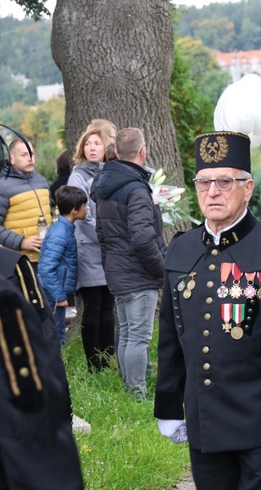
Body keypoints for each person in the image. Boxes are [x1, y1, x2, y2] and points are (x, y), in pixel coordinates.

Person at [154, 75, 261, 489]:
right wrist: (168, 404)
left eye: (225, 182)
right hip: (206, 422)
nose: (213, 191)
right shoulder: (180, 250)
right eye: (204, 182)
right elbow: (171, 339)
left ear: (247, 188)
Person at [0, 98, 84, 488]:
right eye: (24, 152)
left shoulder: (41, 184)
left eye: (33, 152)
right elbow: (37, 448)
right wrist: (21, 241)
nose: (31, 158)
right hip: (14, 261)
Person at [94, 128, 166, 399]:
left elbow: (101, 234)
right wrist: (161, 271)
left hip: (117, 270)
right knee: (137, 336)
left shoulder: (106, 185)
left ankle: (130, 387)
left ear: (114, 153)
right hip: (137, 273)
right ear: (142, 152)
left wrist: (109, 264)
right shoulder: (135, 189)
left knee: (126, 332)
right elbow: (142, 239)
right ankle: (137, 393)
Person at [68, 126, 115, 371]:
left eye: (97, 143)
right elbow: (82, 216)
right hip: (89, 248)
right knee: (93, 306)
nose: (92, 148)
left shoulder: (111, 172)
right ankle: (93, 364)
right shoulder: (78, 175)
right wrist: (106, 235)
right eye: (88, 144)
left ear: (106, 147)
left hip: (109, 250)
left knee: (109, 306)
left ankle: (109, 359)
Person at [0, 138, 52, 270]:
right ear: (12, 159)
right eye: (24, 155)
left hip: (48, 257)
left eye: (31, 154)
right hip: (20, 261)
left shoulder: (41, 181)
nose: (30, 158)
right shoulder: (0, 187)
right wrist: (21, 242)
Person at [38, 186, 87, 345]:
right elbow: (46, 267)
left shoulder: (64, 229)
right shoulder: (60, 233)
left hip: (55, 291)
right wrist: (59, 296)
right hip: (52, 294)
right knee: (57, 337)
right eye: (84, 206)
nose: (86, 209)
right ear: (74, 210)